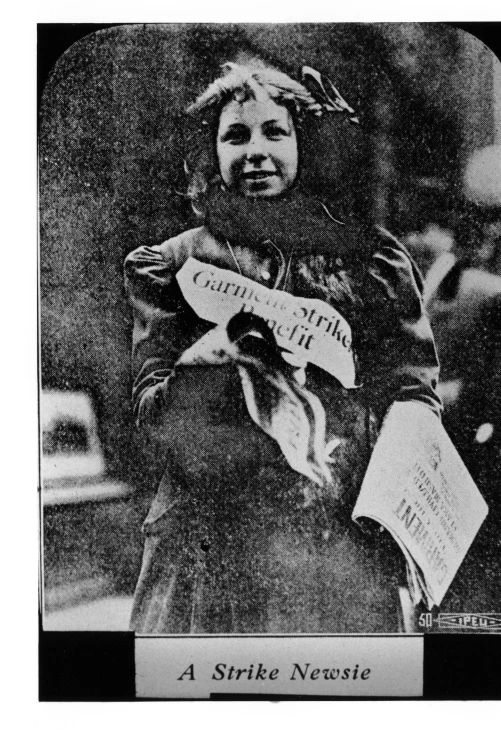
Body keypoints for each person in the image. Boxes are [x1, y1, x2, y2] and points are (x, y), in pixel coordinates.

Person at [124, 62, 441, 634]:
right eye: (235, 136)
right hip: (213, 544)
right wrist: (210, 359)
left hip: (335, 542)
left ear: (305, 144)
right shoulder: (170, 264)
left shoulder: (367, 259)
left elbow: (412, 388)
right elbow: (151, 414)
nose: (256, 152)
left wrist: (405, 441)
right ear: (211, 153)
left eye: (275, 131)